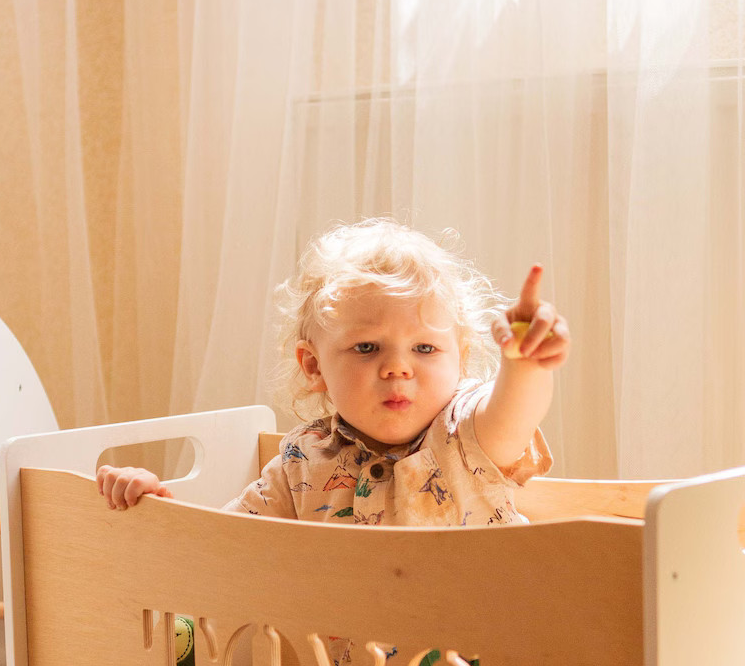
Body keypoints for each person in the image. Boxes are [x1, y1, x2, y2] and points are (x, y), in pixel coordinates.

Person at [96, 216, 570, 524]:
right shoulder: (301, 461)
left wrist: (525, 364)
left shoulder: (466, 436)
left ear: (461, 359)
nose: (398, 368)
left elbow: (513, 415)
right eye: (367, 347)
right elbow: (228, 545)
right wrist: (158, 509)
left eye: (425, 348)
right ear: (313, 365)